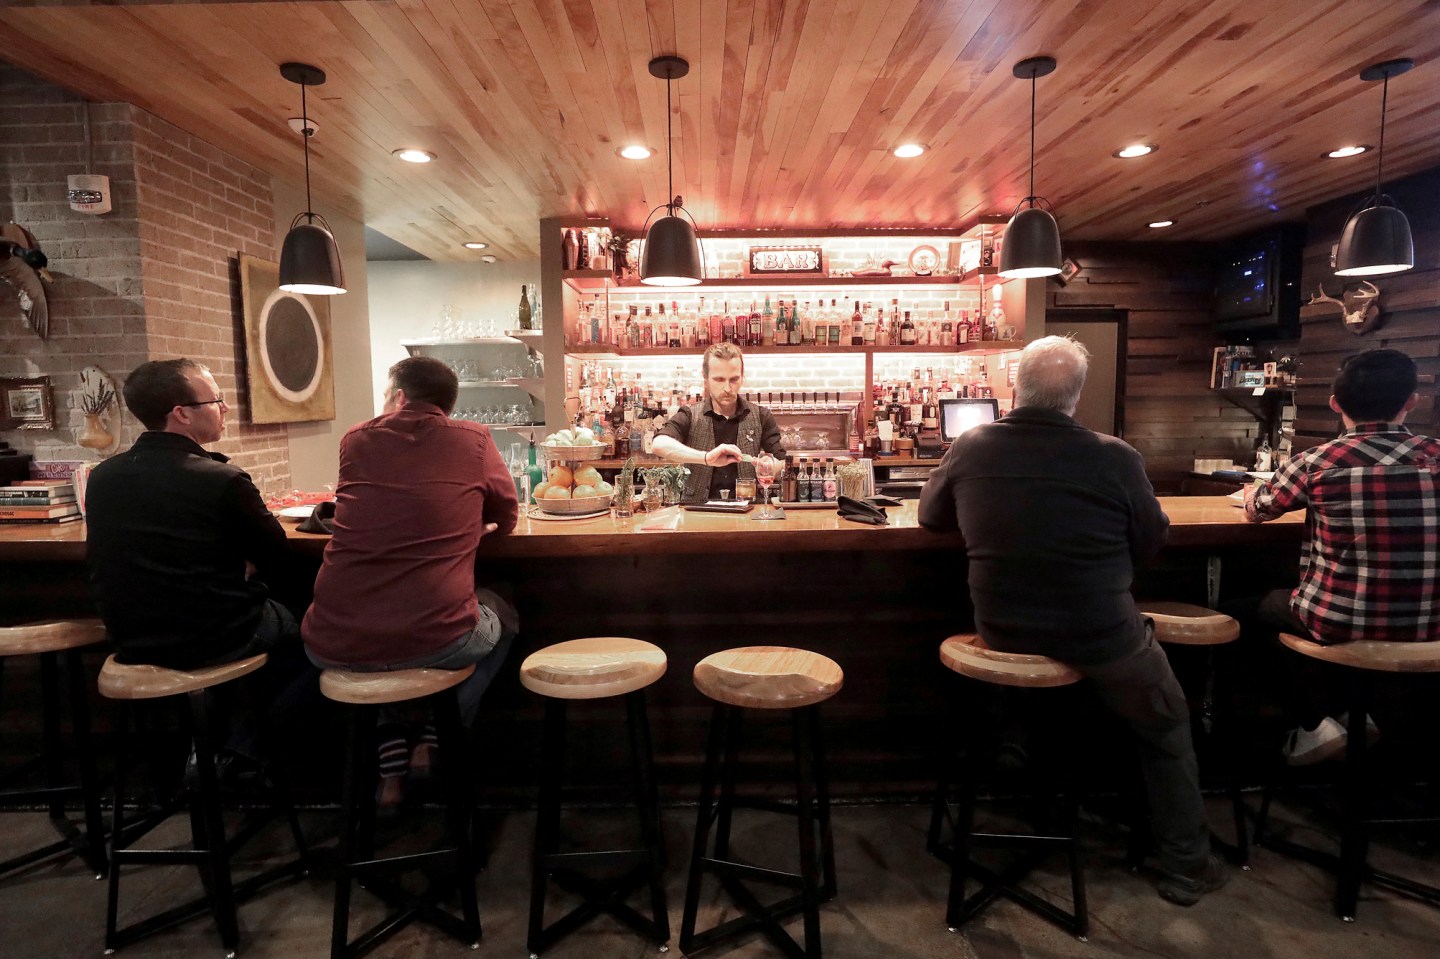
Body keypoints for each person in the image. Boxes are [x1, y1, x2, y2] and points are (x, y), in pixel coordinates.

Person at [917, 335, 1226, 906]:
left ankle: (1017, 744)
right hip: (1102, 636)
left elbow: (929, 517)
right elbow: (1153, 541)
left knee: (1038, 689)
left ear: (1015, 388)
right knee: (1165, 726)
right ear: (1077, 397)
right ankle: (1186, 867)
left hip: (1002, 633)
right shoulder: (1116, 457)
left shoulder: (973, 446)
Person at [302, 356, 519, 802]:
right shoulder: (474, 439)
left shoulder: (356, 440)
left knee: (381, 644)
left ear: (399, 397)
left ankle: (390, 747)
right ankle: (439, 733)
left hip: (333, 640)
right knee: (504, 613)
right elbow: (507, 515)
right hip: (438, 637)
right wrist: (464, 520)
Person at [1238, 348, 1439, 764]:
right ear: (1411, 401)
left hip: (1339, 620)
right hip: (1431, 627)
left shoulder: (1314, 462)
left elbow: (1258, 510)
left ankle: (1314, 723)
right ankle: (1357, 721)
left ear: (1335, 404)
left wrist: (1248, 495)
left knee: (1244, 614)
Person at [87, 358, 300, 669]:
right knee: (308, 617)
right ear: (182, 413)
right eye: (216, 400)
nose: (225, 407)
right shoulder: (222, 480)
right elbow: (281, 559)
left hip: (130, 641)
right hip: (217, 639)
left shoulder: (102, 476)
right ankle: (268, 716)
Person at [651, 342, 785, 502]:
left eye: (734, 379)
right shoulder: (690, 414)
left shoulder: (761, 416)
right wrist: (706, 458)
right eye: (719, 380)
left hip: (748, 514)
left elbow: (782, 462)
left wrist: (768, 466)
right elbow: (658, 444)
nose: (727, 388)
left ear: (743, 377)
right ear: (705, 379)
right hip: (698, 514)